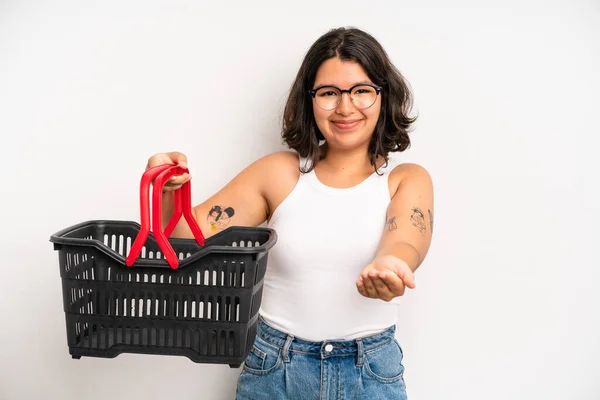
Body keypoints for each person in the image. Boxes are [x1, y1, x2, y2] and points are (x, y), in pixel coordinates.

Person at [146, 26, 433, 400]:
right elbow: (183, 237)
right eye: (329, 93)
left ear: (384, 96)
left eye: (361, 90)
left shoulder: (405, 179)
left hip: (370, 374)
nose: (345, 107)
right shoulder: (279, 173)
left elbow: (406, 238)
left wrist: (392, 263)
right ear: (309, 100)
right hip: (273, 370)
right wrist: (166, 187)